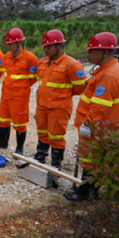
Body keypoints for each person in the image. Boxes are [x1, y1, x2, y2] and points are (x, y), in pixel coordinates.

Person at [64, 32, 119, 201]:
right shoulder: (114, 69)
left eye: (91, 50)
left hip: (98, 126)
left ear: (104, 52)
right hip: (108, 125)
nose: (87, 53)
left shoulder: (109, 75)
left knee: (89, 158)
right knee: (98, 158)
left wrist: (88, 124)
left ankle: (83, 192)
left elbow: (100, 106)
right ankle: (94, 190)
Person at [34, 30, 86, 170]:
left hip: (59, 108)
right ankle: (40, 157)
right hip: (42, 106)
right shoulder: (42, 62)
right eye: (44, 47)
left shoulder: (72, 64)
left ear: (59, 46)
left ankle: (56, 165)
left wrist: (61, 96)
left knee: (56, 137)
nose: (45, 50)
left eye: (48, 47)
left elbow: (80, 88)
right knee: (42, 133)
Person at [0, 29, 39, 155]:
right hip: (6, 94)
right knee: (3, 119)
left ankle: (19, 148)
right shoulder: (7, 56)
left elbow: (33, 78)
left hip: (20, 97)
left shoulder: (31, 59)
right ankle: (2, 142)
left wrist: (21, 87)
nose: (8, 46)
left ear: (19, 42)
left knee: (20, 123)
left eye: (11, 43)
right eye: (8, 43)